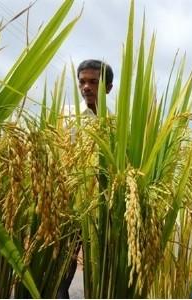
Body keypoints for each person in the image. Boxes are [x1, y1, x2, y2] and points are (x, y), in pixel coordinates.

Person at [57, 59, 114, 299]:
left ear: (108, 88)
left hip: (100, 209)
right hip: (69, 204)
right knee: (61, 270)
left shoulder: (115, 123)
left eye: (93, 82)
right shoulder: (67, 115)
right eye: (82, 82)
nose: (86, 87)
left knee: (97, 272)